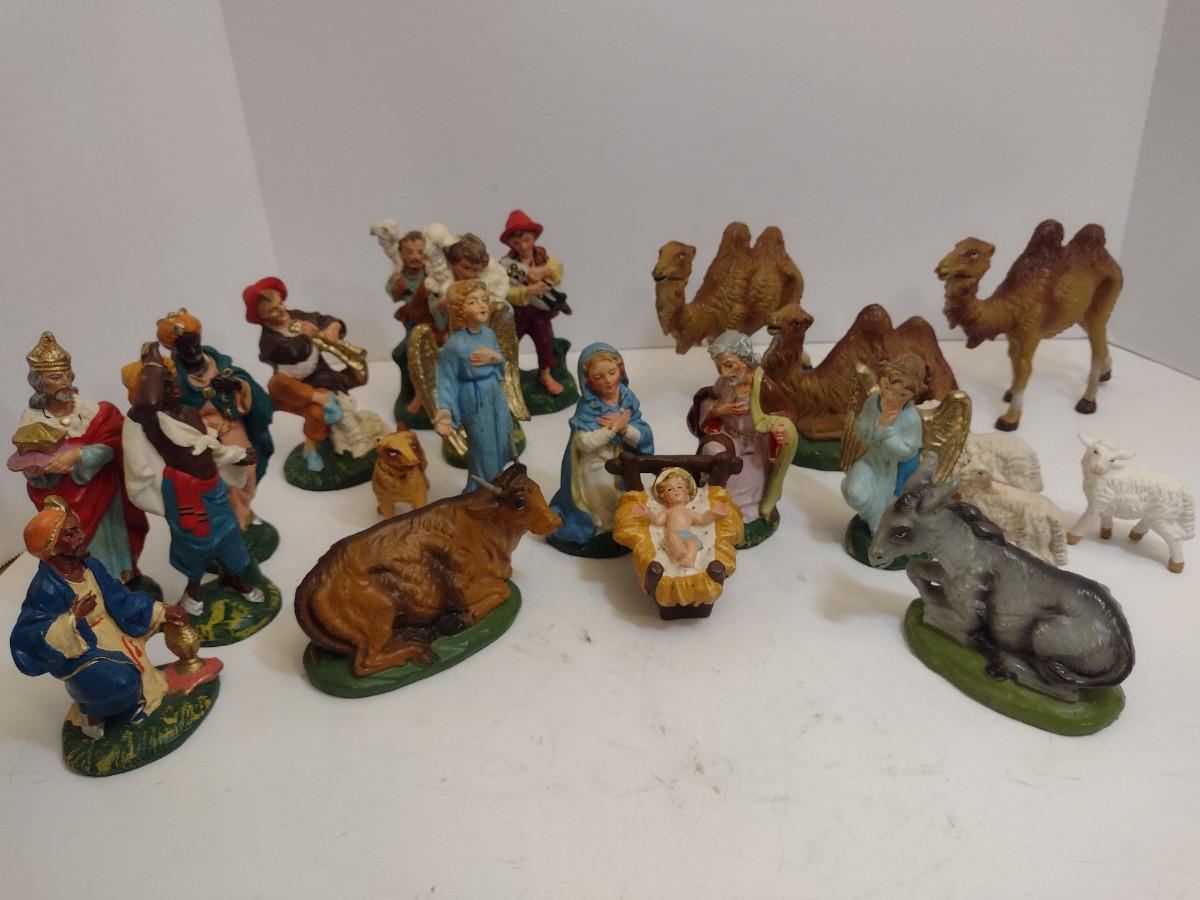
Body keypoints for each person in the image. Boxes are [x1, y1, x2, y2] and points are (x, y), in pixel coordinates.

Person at [10, 498, 187, 740]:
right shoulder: (46, 588)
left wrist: (159, 610)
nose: (80, 537)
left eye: (78, 529)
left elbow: (120, 598)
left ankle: (138, 701)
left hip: (115, 630)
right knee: (120, 681)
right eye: (70, 534)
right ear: (51, 548)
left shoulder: (90, 565)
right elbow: (29, 634)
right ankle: (94, 716)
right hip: (85, 649)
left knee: (143, 667)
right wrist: (72, 619)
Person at [123, 343, 264, 616]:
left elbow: (211, 451)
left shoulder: (187, 413)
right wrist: (151, 363)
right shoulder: (148, 420)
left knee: (228, 533)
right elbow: (148, 402)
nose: (173, 384)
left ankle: (234, 576)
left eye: (172, 377)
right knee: (194, 543)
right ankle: (194, 587)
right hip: (184, 494)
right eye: (163, 382)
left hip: (214, 487)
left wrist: (236, 456)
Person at [11, 332, 149, 583]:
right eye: (55, 378)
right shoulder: (32, 419)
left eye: (67, 375)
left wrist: (79, 454)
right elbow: (28, 459)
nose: (64, 382)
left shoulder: (90, 411)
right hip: (65, 500)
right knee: (77, 543)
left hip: (102, 491)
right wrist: (37, 473)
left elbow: (113, 445)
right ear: (39, 383)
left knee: (110, 541)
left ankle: (121, 579)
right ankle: (90, 585)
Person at [158, 308, 273, 530]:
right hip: (199, 435)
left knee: (247, 467)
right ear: (174, 350)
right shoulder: (175, 379)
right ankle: (231, 516)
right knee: (216, 477)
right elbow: (170, 410)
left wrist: (236, 386)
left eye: (194, 343)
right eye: (184, 347)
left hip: (228, 426)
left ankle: (244, 507)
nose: (192, 351)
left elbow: (249, 389)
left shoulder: (221, 367)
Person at [246, 276, 361, 472]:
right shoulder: (269, 341)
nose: (282, 310)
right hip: (291, 388)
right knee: (277, 382)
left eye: (280, 303)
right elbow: (294, 353)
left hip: (317, 377)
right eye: (273, 310)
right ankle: (321, 398)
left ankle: (310, 450)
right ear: (261, 316)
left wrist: (333, 327)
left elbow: (323, 319)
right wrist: (306, 336)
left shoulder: (297, 316)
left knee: (317, 413)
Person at [549, 344, 653, 549]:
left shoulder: (627, 398)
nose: (608, 380)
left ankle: (621, 524)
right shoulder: (588, 407)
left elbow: (642, 433)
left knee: (624, 491)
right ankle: (604, 527)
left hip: (621, 459)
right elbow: (584, 443)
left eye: (612, 372)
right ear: (587, 381)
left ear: (621, 370)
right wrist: (613, 429)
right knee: (603, 489)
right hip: (593, 462)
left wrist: (625, 429)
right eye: (598, 377)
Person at [691, 331, 795, 526]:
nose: (723, 373)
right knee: (712, 452)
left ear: (745, 360)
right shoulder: (724, 383)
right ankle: (709, 500)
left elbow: (787, 412)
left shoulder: (763, 385)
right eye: (719, 367)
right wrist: (719, 410)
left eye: (729, 365)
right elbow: (710, 400)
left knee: (745, 476)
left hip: (755, 442)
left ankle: (740, 513)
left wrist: (779, 427)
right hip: (729, 435)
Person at [433, 280, 514, 491]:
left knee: (503, 441)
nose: (482, 305)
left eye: (484, 300)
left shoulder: (489, 335)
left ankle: (497, 484)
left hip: (495, 392)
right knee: (484, 447)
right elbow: (446, 380)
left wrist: (495, 358)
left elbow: (501, 364)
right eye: (473, 302)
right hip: (474, 396)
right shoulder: (454, 345)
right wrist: (444, 416)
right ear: (459, 310)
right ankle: (480, 491)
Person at [840, 353, 926, 533]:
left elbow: (907, 452)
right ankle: (869, 514)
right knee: (853, 492)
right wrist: (879, 424)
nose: (892, 397)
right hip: (872, 459)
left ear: (912, 396)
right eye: (888, 388)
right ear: (882, 381)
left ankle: (878, 522)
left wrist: (888, 431)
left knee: (885, 503)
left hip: (894, 470)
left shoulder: (911, 418)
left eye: (902, 394)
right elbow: (860, 430)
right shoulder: (873, 403)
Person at [499, 210, 570, 396]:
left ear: (534, 238)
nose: (523, 246)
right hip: (517, 314)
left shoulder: (544, 258)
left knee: (545, 342)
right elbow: (504, 291)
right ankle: (507, 375)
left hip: (540, 313)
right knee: (509, 344)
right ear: (510, 243)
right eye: (516, 242)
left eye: (527, 240)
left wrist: (544, 270)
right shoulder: (506, 265)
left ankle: (545, 374)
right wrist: (527, 291)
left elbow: (558, 271)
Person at [632, 467, 729, 569]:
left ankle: (689, 560)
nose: (676, 491)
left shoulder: (688, 512)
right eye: (670, 489)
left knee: (693, 542)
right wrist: (647, 514)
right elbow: (657, 521)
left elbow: (702, 519)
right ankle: (679, 552)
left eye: (679, 487)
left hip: (686, 535)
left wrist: (714, 513)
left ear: (687, 494)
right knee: (672, 536)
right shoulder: (668, 512)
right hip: (672, 535)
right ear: (664, 498)